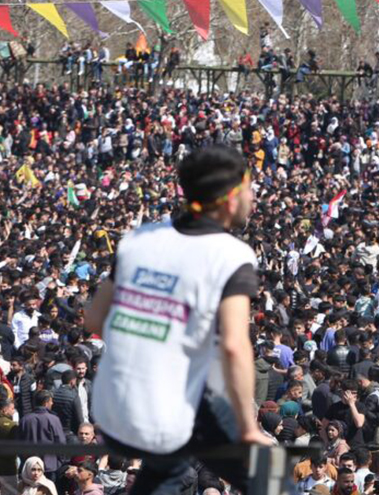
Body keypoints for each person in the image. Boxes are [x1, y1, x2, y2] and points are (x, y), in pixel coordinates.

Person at [85, 145, 272, 495]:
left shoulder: (137, 240)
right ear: (230, 198)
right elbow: (235, 346)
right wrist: (249, 429)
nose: (254, 199)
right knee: (264, 472)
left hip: (109, 411)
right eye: (251, 189)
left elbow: (94, 319)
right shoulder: (232, 254)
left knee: (168, 470)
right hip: (164, 415)